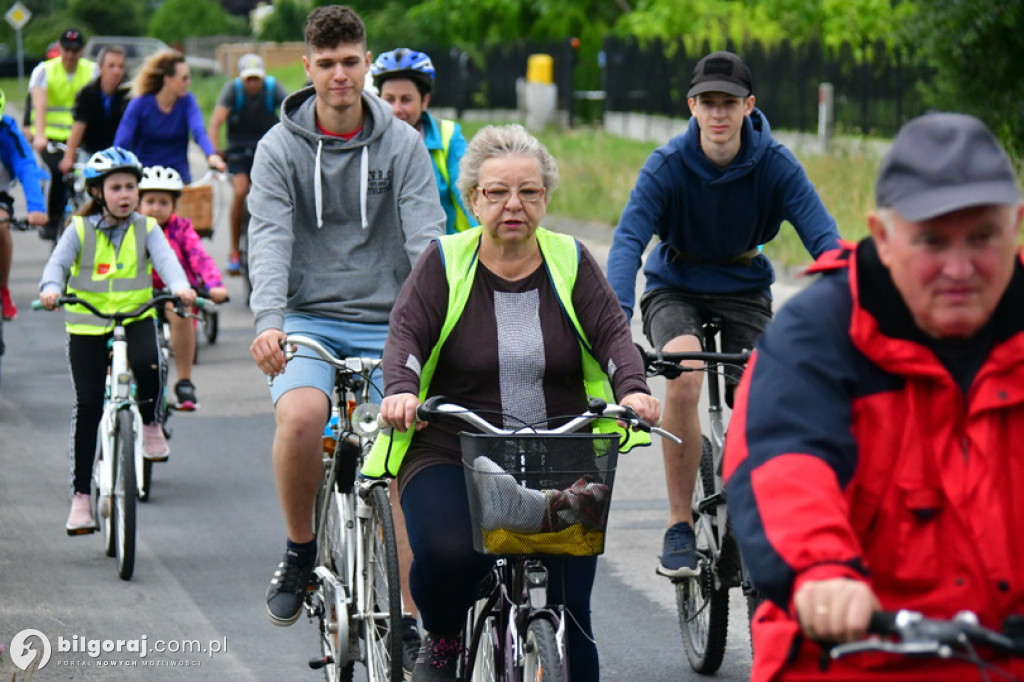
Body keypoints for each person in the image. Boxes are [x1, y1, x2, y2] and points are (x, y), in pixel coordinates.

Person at [723, 111, 1024, 681]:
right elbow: (785, 456)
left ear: (1016, 228)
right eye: (932, 241)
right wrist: (822, 569)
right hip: (854, 656)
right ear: (882, 238)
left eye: (983, 237)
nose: (959, 268)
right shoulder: (818, 333)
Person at [363, 123, 661, 682]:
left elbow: (613, 335)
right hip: (453, 445)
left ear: (546, 197)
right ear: (472, 198)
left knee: (574, 616)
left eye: (528, 191)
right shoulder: (445, 260)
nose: (513, 204)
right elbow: (406, 335)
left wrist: (634, 390)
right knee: (452, 554)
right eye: (496, 191)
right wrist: (402, 392)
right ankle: (446, 636)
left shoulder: (570, 259)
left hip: (560, 449)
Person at [246, 5, 446, 642]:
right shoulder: (278, 148)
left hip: (392, 320)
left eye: (350, 62)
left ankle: (409, 616)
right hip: (308, 320)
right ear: (306, 68)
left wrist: (439, 322)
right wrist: (269, 321)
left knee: (395, 461)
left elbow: (427, 242)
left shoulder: (404, 144)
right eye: (326, 63)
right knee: (303, 416)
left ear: (367, 62)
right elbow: (271, 237)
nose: (339, 75)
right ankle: (302, 551)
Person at [605, 50, 840, 578]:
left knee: (763, 394)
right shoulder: (666, 165)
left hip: (744, 287)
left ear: (748, 107)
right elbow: (628, 242)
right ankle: (678, 525)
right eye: (707, 103)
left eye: (728, 104)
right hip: (676, 286)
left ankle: (754, 503)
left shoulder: (775, 163)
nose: (717, 114)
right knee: (684, 375)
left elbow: (823, 236)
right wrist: (618, 314)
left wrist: (853, 296)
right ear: (692, 106)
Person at [38, 147, 195, 534]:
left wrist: (181, 288)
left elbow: (167, 261)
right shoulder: (78, 229)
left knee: (151, 362)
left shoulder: (147, 228)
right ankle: (81, 500)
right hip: (88, 324)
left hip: (135, 315)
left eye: (130, 187)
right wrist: (51, 288)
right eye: (116, 188)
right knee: (89, 404)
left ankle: (150, 423)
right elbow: (57, 264)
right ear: (97, 192)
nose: (125, 195)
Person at [138, 165, 228, 410]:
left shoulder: (182, 229)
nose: (156, 208)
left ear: (174, 206)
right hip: (138, 293)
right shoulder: (131, 228)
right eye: (150, 201)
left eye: (163, 202)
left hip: (174, 292)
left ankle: (184, 380)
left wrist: (214, 285)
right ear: (139, 203)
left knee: (179, 310)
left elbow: (200, 258)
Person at [372, 48, 477, 235]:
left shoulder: (448, 136)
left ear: (425, 101)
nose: (396, 109)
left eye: (406, 99)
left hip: (441, 252)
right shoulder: (366, 141)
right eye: (389, 99)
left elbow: (471, 197)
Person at [206, 53, 287, 276]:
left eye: (256, 79)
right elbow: (215, 122)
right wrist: (214, 154)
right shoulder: (233, 90)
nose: (253, 83)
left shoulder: (273, 88)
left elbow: (292, 113)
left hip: (267, 150)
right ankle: (234, 250)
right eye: (248, 79)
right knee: (241, 191)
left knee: (276, 195)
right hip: (238, 151)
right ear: (241, 78)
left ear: (263, 78)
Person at [115, 48, 226, 183]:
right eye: (184, 78)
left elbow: (198, 131)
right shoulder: (140, 104)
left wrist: (211, 155)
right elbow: (123, 140)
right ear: (168, 79)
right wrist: (117, 163)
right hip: (145, 178)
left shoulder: (187, 102)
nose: (189, 83)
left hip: (178, 179)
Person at [29, 28, 96, 240]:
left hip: (82, 137)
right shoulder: (44, 71)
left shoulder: (92, 71)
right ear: (59, 48)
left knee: (92, 175)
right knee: (57, 172)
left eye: (75, 51)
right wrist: (40, 135)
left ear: (81, 51)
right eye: (66, 50)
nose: (70, 55)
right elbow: (39, 106)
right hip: (52, 137)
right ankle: (53, 218)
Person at [0, 88, 50, 321]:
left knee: (1, 225)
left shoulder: (7, 131)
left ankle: (3, 288)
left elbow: (27, 167)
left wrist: (36, 208)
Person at [58, 45, 130, 178]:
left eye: (120, 67)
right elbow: (78, 126)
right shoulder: (88, 93)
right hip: (91, 153)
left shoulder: (128, 95)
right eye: (111, 66)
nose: (116, 71)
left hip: (119, 155)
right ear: (101, 68)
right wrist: (69, 157)